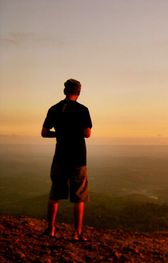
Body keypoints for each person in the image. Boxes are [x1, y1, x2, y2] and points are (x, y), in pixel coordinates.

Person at [41, 79, 92, 241]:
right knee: (78, 196)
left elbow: (44, 132)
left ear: (65, 91)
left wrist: (60, 134)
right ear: (79, 92)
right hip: (78, 157)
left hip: (60, 156)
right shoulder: (83, 110)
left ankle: (51, 229)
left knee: (55, 194)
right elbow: (87, 133)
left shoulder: (54, 109)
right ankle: (77, 233)